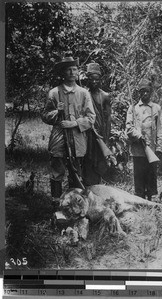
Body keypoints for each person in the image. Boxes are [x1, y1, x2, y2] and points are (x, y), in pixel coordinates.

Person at [42, 56, 96, 201]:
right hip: (59, 138)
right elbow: (45, 116)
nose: (72, 72)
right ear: (62, 73)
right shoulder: (54, 93)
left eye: (75, 69)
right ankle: (56, 205)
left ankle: (75, 206)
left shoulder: (84, 93)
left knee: (76, 172)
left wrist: (75, 123)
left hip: (77, 138)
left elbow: (91, 118)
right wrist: (57, 112)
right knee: (56, 172)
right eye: (68, 70)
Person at [125, 78, 162, 201]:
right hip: (138, 149)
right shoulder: (133, 108)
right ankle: (139, 199)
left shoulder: (156, 108)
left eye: (147, 91)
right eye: (142, 92)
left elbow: (160, 129)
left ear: (151, 92)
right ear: (139, 93)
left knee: (151, 176)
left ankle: (151, 200)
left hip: (151, 149)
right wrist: (138, 136)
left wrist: (159, 148)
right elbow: (128, 127)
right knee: (139, 176)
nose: (145, 94)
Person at [83, 62, 112, 185]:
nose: (94, 82)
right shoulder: (84, 94)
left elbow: (108, 119)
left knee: (99, 161)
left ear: (100, 80)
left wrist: (105, 138)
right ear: (88, 79)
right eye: (91, 79)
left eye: (97, 79)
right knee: (87, 159)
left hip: (100, 134)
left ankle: (97, 186)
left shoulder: (105, 96)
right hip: (87, 133)